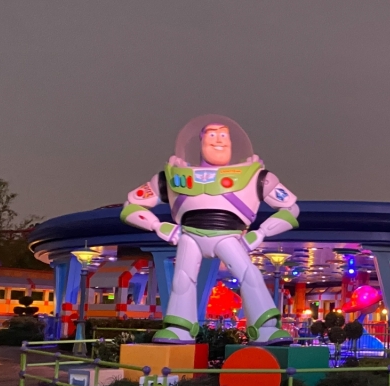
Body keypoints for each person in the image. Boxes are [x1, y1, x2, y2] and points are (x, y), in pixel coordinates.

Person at [120, 116, 299, 344]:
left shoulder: (255, 177)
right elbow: (131, 207)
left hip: (229, 235)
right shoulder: (173, 177)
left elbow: (289, 208)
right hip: (189, 234)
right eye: (212, 135)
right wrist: (158, 225)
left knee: (249, 275)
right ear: (200, 141)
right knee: (182, 280)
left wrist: (260, 233)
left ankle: (264, 327)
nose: (219, 141)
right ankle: (179, 327)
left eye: (224, 135)